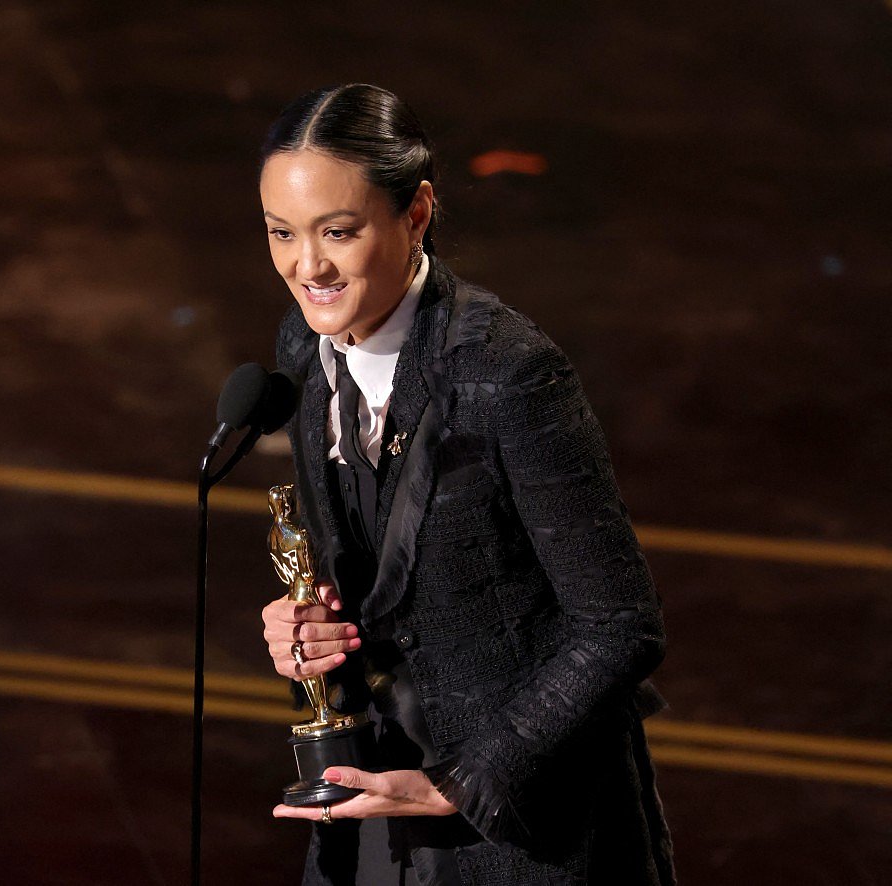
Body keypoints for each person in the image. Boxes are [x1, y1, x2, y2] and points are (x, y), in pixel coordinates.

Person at [258, 83, 676, 885]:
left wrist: (462, 783)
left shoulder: (507, 374)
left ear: (416, 215)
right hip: (369, 814)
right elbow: (365, 572)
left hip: (520, 831)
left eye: (338, 232)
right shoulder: (304, 349)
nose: (306, 266)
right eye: (282, 232)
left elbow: (620, 625)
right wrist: (304, 626)